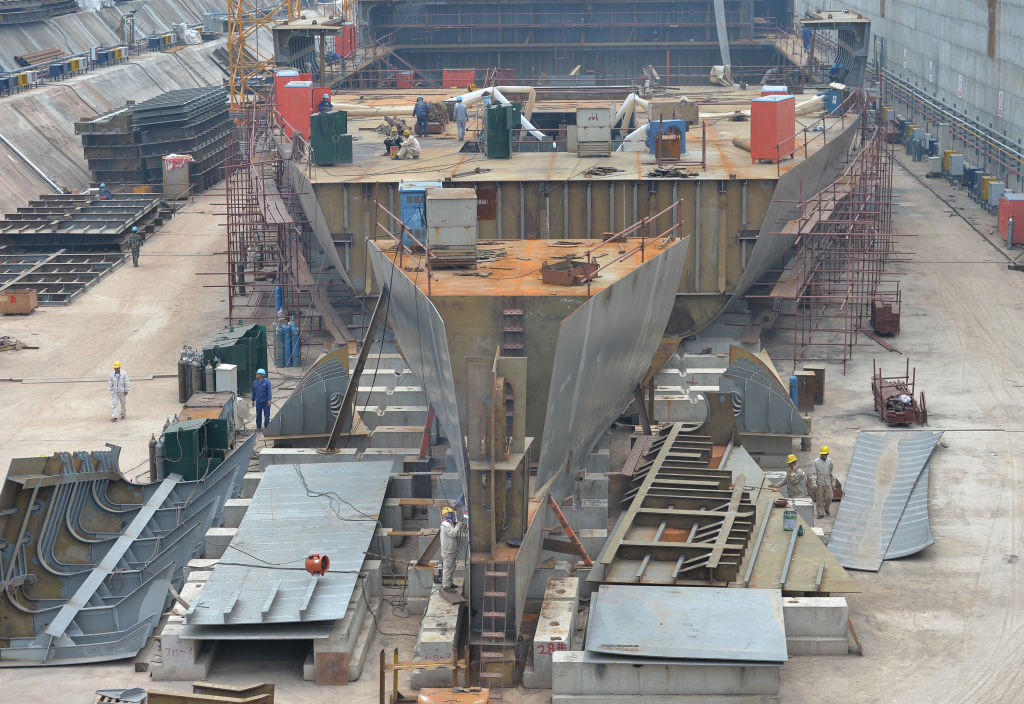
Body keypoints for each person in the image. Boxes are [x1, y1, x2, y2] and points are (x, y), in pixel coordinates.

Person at [439, 506, 467, 592]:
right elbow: (453, 534)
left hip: (451, 550)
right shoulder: (446, 524)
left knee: (451, 567)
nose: (452, 516)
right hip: (448, 551)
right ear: (447, 515)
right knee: (448, 568)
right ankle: (446, 586)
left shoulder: (448, 524)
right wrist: (458, 525)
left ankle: (450, 583)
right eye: (450, 514)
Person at [813, 445, 835, 518]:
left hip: (828, 483)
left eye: (825, 454)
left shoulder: (830, 461)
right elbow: (814, 473)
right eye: (822, 454)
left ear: (827, 454)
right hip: (820, 483)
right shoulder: (816, 462)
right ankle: (820, 513)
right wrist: (813, 483)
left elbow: (832, 472)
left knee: (830, 497)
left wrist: (833, 482)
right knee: (820, 500)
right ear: (820, 454)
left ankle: (826, 508)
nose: (824, 455)